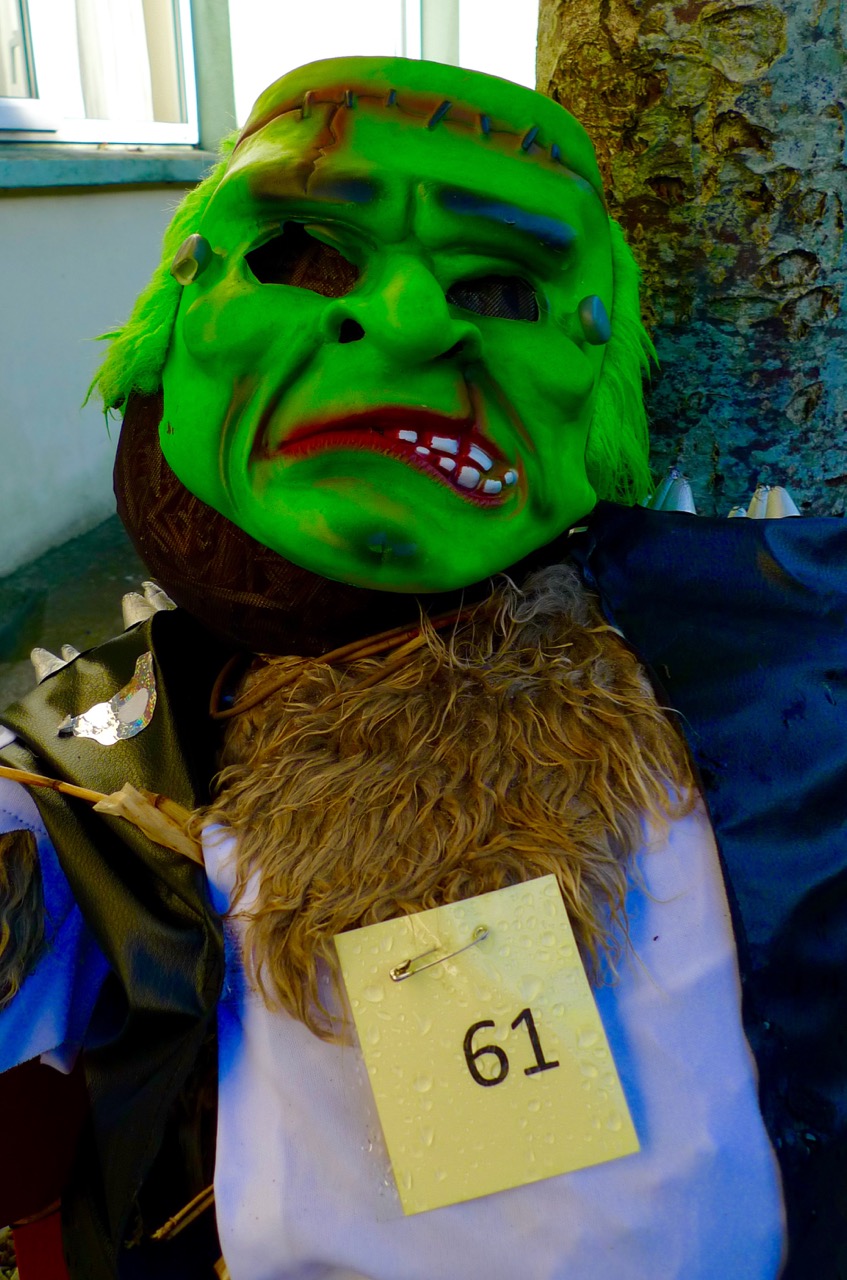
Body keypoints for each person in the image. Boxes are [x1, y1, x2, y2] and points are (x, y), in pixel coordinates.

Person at [0, 54, 844, 1280]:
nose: (408, 318)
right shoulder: (118, 749)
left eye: (502, 287)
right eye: (301, 255)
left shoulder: (762, 658)